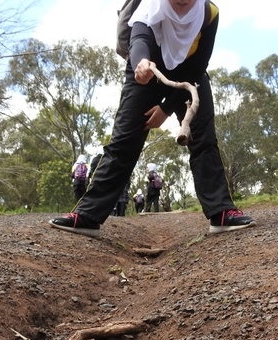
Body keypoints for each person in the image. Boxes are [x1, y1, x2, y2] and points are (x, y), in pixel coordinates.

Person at [49, 0, 254, 237]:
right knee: (123, 143)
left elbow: (199, 64)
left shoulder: (209, 13)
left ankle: (221, 212)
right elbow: (139, 40)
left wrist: (167, 108)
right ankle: (87, 216)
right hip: (146, 72)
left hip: (190, 74)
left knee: (204, 139)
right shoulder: (149, 5)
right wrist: (140, 64)